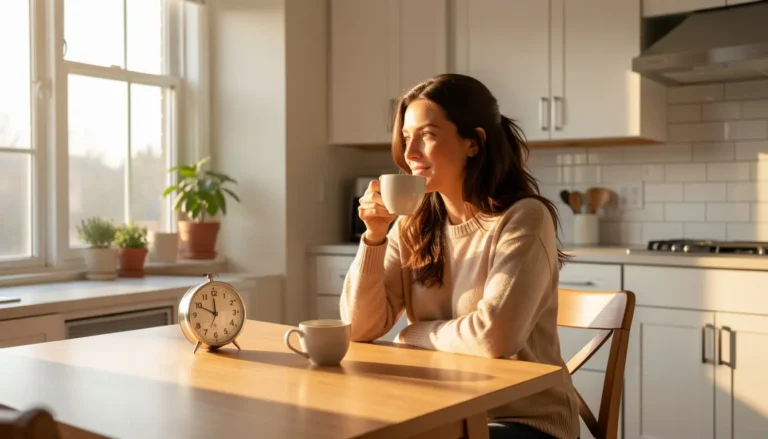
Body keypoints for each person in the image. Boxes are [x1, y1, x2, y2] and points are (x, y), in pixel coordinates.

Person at [339, 73, 579, 439]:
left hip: (523, 421)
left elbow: (494, 338)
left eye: (427, 134)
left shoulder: (523, 218)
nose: (410, 152)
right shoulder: (413, 224)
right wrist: (373, 237)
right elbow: (358, 329)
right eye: (406, 136)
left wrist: (414, 334)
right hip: (441, 410)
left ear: (473, 143)